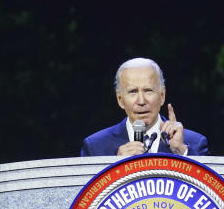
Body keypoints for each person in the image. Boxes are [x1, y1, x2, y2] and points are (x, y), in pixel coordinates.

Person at [80, 58, 209, 157]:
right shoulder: (96, 147)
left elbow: (210, 189)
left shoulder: (194, 143)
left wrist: (181, 151)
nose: (141, 101)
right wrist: (114, 167)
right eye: (133, 92)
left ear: (162, 95)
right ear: (120, 99)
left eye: (148, 90)